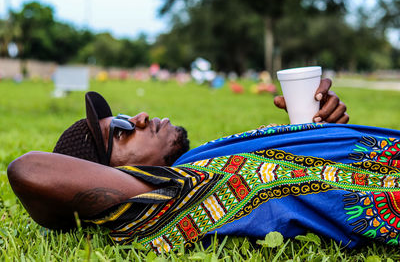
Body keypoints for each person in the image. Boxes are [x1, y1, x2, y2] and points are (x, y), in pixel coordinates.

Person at [9, 79, 400, 253]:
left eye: (128, 115)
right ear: (110, 176)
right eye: (123, 130)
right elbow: (29, 170)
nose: (141, 117)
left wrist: (321, 131)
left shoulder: (200, 166)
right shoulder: (168, 196)